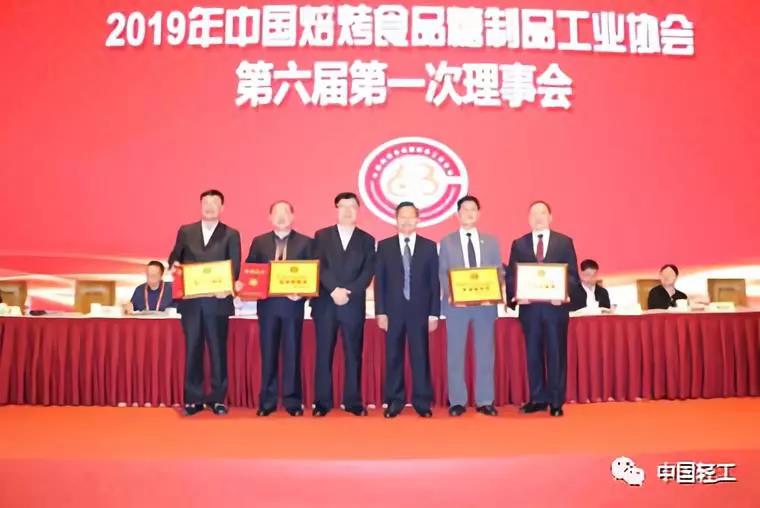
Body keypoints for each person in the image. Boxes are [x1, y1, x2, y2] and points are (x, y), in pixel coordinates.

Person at [168, 189, 241, 416]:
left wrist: (227, 287)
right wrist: (174, 265)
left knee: (218, 352)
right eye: (206, 203)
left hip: (218, 302)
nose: (209, 207)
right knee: (193, 350)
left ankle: (218, 399)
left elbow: (234, 265)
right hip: (191, 303)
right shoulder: (186, 231)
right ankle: (193, 399)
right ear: (200, 206)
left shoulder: (231, 234)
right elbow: (175, 256)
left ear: (222, 208)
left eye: (214, 203)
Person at [505, 200, 578, 417]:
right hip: (530, 310)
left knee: (556, 354)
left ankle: (556, 401)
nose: (538, 217)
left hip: (556, 309)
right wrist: (517, 296)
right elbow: (512, 276)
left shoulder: (564, 242)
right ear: (529, 219)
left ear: (550, 217)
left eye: (542, 213)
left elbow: (572, 275)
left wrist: (563, 295)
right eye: (534, 214)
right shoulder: (519, 244)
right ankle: (537, 398)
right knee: (533, 355)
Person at [245, 201, 313, 416]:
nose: (281, 217)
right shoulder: (259, 242)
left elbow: (313, 274)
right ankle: (267, 401)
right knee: (268, 354)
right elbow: (250, 270)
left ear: (293, 217)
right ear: (269, 217)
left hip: (293, 306)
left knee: (292, 353)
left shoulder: (306, 242)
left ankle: (293, 402)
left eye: (285, 212)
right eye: (276, 213)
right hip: (267, 306)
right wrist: (248, 286)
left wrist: (302, 293)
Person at [311, 192, 375, 417]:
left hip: (352, 303)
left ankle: (352, 401)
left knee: (353, 355)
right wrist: (333, 290)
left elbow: (368, 271)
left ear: (358, 210)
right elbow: (318, 265)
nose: (347, 211)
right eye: (343, 206)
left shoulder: (366, 239)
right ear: (336, 209)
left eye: (352, 206)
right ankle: (322, 402)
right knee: (323, 354)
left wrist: (350, 291)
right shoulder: (321, 236)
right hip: (326, 303)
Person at [375, 202, 440, 418]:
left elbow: (434, 283)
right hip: (392, 311)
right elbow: (380, 282)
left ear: (418, 220)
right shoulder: (384, 246)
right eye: (402, 217)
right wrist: (380, 312)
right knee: (393, 356)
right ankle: (395, 400)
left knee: (420, 356)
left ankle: (422, 401)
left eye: (410, 217)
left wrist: (434, 313)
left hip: (420, 311)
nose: (406, 221)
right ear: (396, 220)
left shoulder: (429, 246)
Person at [438, 195, 501, 417]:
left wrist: (494, 291)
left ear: (479, 214)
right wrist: (452, 295)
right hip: (457, 307)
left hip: (485, 306)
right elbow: (442, 272)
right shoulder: (447, 241)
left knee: (485, 353)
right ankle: (457, 400)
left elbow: (498, 271)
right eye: (464, 210)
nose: (469, 213)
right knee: (455, 354)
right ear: (458, 214)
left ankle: (485, 400)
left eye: (473, 209)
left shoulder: (491, 241)